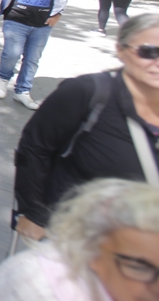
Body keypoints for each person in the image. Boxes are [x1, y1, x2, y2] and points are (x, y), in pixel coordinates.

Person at [12, 13, 159, 244]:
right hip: (77, 238)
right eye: (149, 51)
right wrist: (33, 212)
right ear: (121, 50)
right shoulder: (86, 93)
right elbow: (34, 148)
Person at [0, 178, 159, 301]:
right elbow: (37, 146)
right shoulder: (36, 286)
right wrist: (33, 213)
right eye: (139, 267)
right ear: (94, 252)